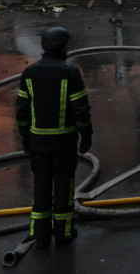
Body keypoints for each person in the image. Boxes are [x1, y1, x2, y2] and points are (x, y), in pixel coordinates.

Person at [16, 25, 93, 247]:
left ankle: (39, 233)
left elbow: (22, 111)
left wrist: (24, 137)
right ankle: (63, 232)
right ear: (62, 46)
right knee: (63, 186)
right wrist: (86, 136)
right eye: (67, 44)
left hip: (38, 142)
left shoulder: (29, 73)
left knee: (40, 185)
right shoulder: (70, 72)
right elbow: (81, 110)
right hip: (64, 143)